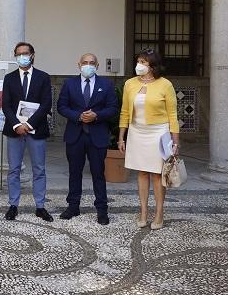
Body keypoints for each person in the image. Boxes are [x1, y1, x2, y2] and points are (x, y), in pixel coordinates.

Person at [118, 49, 179, 230]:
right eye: (138, 61)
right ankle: (143, 211)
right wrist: (122, 137)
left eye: (143, 62)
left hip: (158, 133)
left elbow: (173, 115)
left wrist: (175, 142)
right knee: (142, 173)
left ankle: (159, 212)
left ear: (153, 65)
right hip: (137, 132)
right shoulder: (130, 84)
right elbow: (125, 112)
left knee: (158, 174)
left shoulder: (165, 84)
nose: (139, 65)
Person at [57, 53, 118, 225]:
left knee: (98, 173)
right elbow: (61, 106)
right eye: (85, 62)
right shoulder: (69, 84)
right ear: (79, 65)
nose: (88, 65)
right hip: (75, 135)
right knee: (74, 173)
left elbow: (113, 108)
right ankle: (73, 206)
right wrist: (78, 116)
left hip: (97, 136)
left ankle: (102, 209)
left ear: (97, 65)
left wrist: (96, 116)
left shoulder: (106, 84)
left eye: (92, 63)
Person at [2, 42, 54, 222]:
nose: (22, 56)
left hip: (36, 129)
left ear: (32, 54)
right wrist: (17, 124)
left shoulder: (43, 77)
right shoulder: (9, 78)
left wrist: (30, 124)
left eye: (25, 53)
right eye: (19, 54)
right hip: (14, 130)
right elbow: (6, 105)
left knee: (39, 169)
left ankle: (40, 206)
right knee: (13, 169)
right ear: (15, 56)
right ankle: (13, 205)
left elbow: (46, 103)